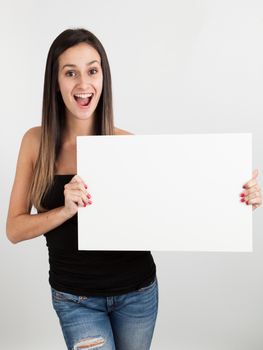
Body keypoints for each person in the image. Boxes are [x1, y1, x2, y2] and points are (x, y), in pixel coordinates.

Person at [5, 27, 262, 350]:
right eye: (71, 73)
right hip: (76, 298)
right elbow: (14, 229)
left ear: (103, 78)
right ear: (55, 82)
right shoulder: (35, 143)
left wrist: (236, 201)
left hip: (137, 294)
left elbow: (180, 203)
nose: (84, 84)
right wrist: (65, 210)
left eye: (92, 71)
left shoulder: (127, 145)